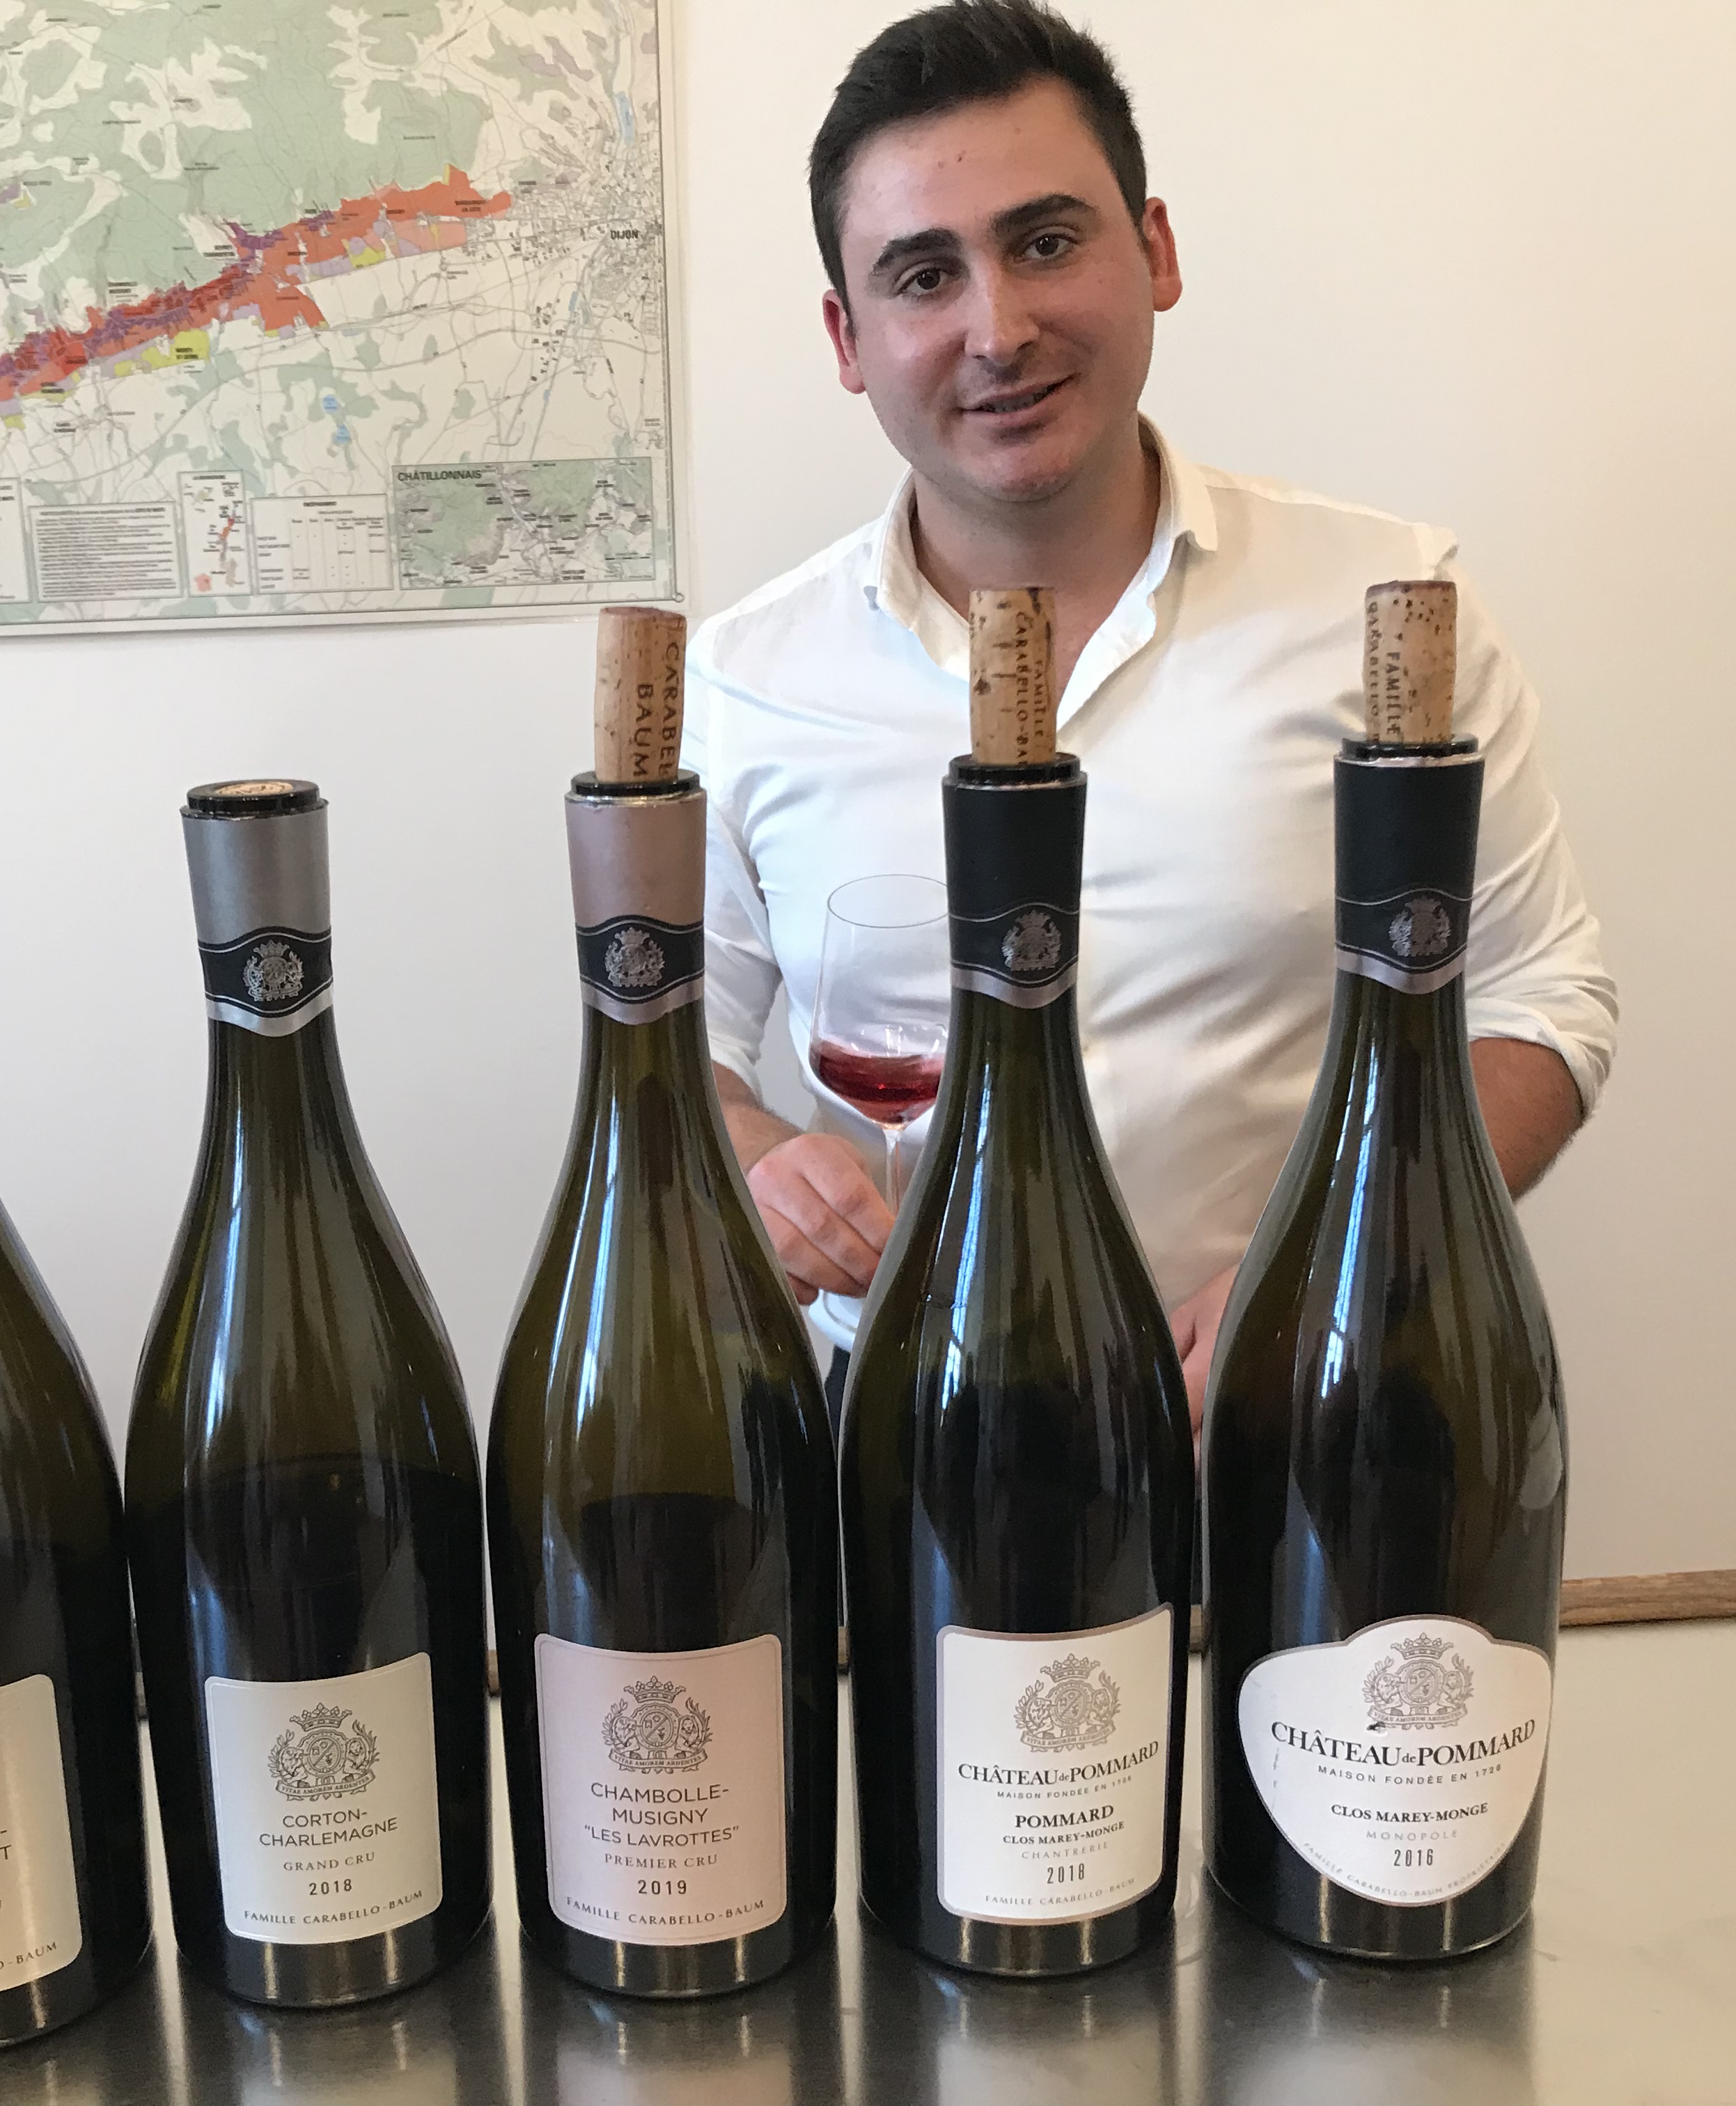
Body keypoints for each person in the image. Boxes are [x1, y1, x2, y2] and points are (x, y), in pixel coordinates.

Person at [691, 0, 1617, 1427]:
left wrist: (1331, 1272)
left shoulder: (1385, 610)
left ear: (1156, 251)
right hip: (907, 1444)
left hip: (1310, 1410)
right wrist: (755, 1160)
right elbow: (674, 1050)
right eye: (925, 276)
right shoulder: (749, 675)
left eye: (1046, 243)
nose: (1000, 329)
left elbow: (1542, 1001)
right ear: (848, 336)